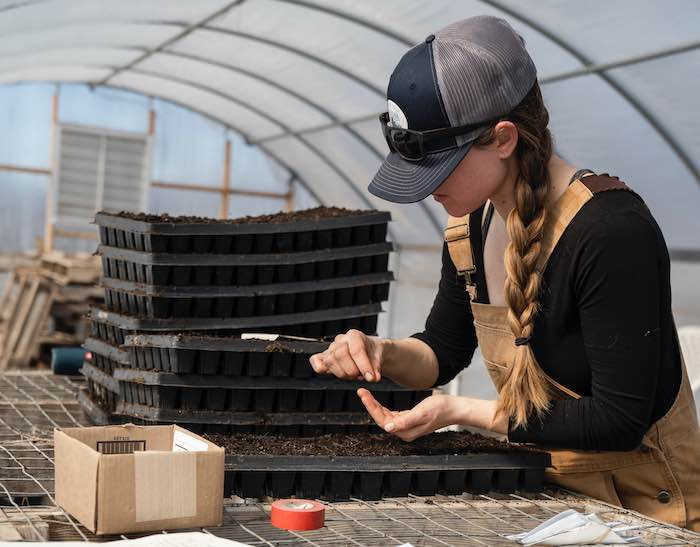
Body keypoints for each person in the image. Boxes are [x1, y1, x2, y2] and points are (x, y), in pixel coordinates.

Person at [309, 15, 700, 530]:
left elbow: (618, 420)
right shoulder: (472, 223)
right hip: (554, 504)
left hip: (649, 515)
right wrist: (383, 352)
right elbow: (442, 353)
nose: (429, 190)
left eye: (441, 168)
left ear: (503, 138)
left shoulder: (609, 230)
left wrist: (458, 412)